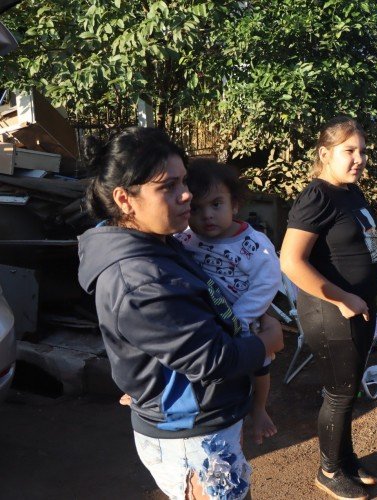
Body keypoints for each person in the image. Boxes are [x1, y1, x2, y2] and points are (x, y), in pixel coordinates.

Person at [77, 127, 277, 500]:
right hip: (193, 437)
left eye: (183, 180)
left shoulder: (157, 242)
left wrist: (139, 382)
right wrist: (267, 341)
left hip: (197, 421)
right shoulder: (140, 279)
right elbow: (213, 359)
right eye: (168, 186)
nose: (186, 194)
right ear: (125, 199)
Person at [280, 116, 377, 500]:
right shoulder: (318, 195)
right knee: (340, 393)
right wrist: (343, 297)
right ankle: (329, 470)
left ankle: (344, 458)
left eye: (362, 151)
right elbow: (291, 261)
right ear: (324, 153)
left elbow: (353, 245)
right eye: (349, 151)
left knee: (349, 390)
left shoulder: (351, 192)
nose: (358, 159)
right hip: (331, 313)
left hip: (359, 305)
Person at [175, 158, 284, 445]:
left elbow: (268, 281)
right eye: (196, 209)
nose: (206, 216)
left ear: (234, 204)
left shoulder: (253, 244)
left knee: (260, 362)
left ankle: (259, 409)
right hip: (205, 319)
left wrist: (241, 316)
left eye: (216, 204)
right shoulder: (185, 238)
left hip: (242, 316)